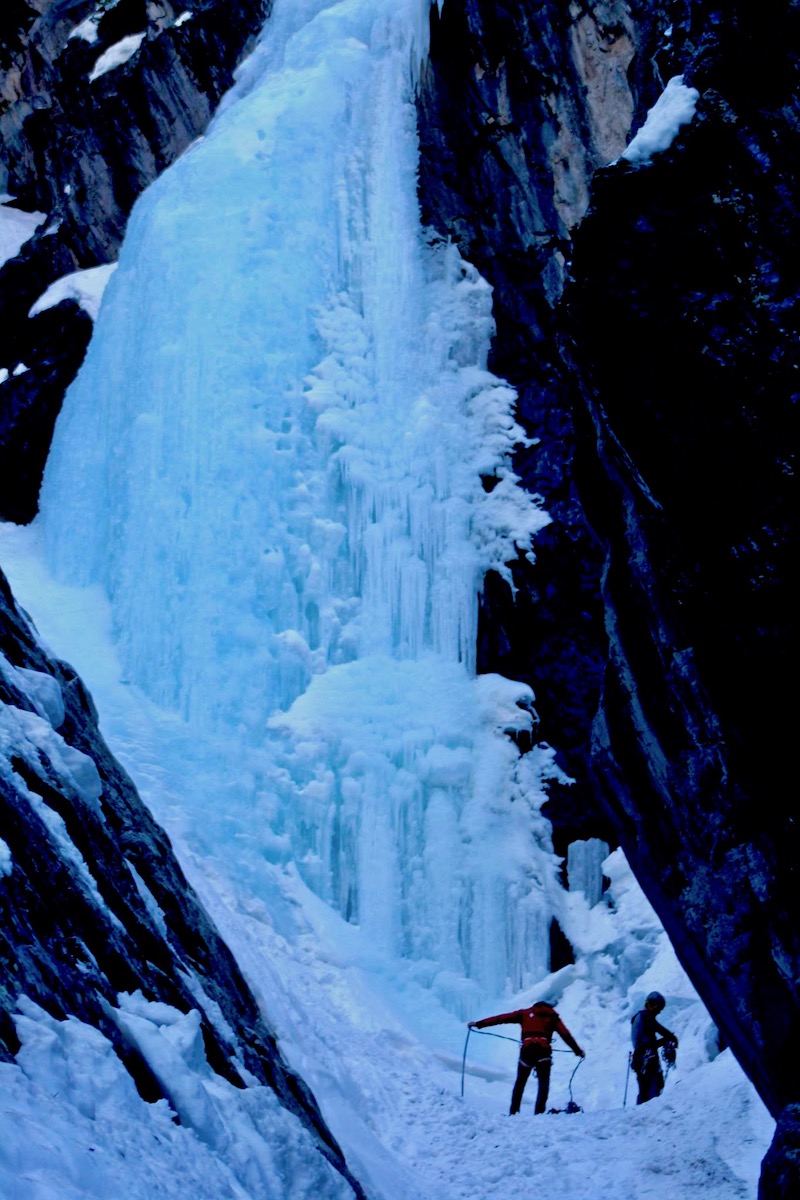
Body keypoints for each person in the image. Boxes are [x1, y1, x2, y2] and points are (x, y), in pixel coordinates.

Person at [468, 1000, 585, 1115]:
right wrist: (578, 1051)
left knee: (520, 1083)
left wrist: (479, 1024)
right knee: (543, 1083)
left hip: (527, 1051)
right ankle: (539, 1113)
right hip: (543, 1052)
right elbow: (565, 1034)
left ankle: (514, 1112)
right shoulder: (552, 1016)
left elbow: (501, 1018)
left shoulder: (524, 1013)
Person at [630, 991, 678, 1104]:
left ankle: (639, 1115)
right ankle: (647, 1115)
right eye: (658, 1008)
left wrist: (669, 1037)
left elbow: (658, 1029)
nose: (659, 1012)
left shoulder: (640, 1017)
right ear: (652, 1006)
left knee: (644, 1091)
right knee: (653, 1089)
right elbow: (648, 1044)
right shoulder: (646, 1018)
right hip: (647, 1060)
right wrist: (668, 1039)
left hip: (639, 1060)